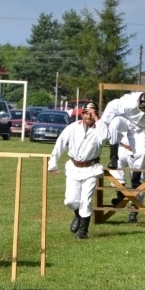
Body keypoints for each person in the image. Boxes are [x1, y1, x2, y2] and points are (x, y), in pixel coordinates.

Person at [48, 101, 109, 239]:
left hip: (91, 169)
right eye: (87, 113)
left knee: (86, 201)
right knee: (70, 200)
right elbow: (60, 144)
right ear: (82, 114)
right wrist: (53, 163)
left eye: (93, 113)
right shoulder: (72, 128)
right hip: (74, 168)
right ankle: (78, 214)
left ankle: (83, 232)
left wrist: (98, 119)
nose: (90, 116)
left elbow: (105, 137)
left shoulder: (100, 130)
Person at [101, 90, 145, 206]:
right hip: (127, 121)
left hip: (143, 129)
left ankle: (135, 181)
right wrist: (103, 123)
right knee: (114, 124)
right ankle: (113, 157)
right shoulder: (128, 102)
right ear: (137, 102)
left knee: (142, 154)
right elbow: (112, 105)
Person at [110, 116, 145, 223]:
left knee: (139, 183)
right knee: (114, 169)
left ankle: (133, 211)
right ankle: (120, 194)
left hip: (141, 153)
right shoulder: (126, 109)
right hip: (123, 148)